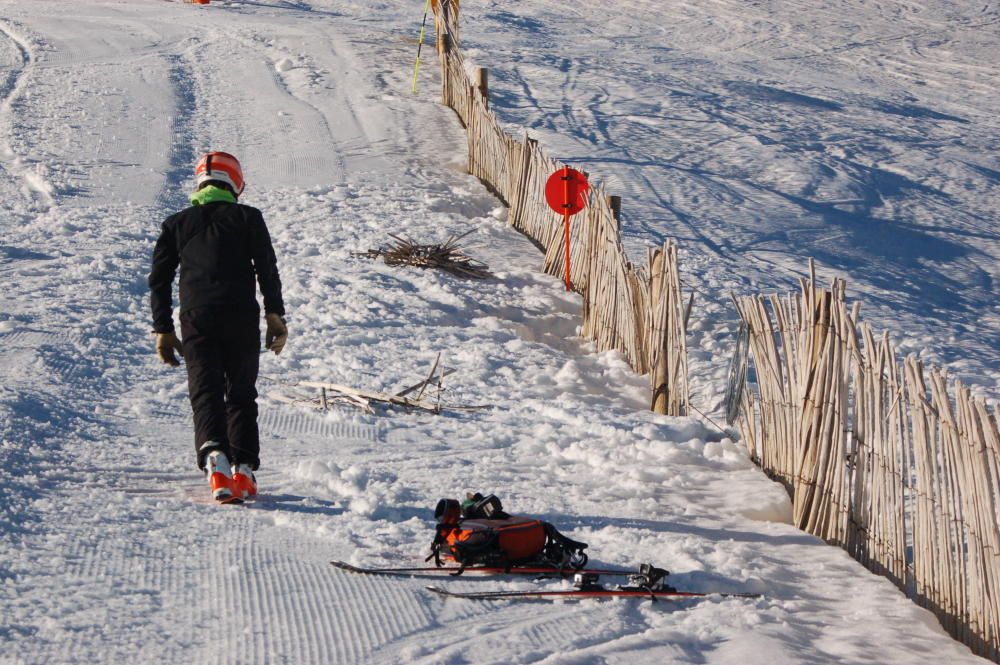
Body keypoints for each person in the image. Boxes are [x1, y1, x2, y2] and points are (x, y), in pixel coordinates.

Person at [148, 151, 288, 503]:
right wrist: (275, 315)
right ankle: (244, 469)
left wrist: (163, 329)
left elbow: (159, 281)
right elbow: (266, 269)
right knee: (241, 392)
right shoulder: (248, 218)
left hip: (197, 317)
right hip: (241, 315)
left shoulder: (176, 224)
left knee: (206, 390)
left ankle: (216, 460)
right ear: (235, 184)